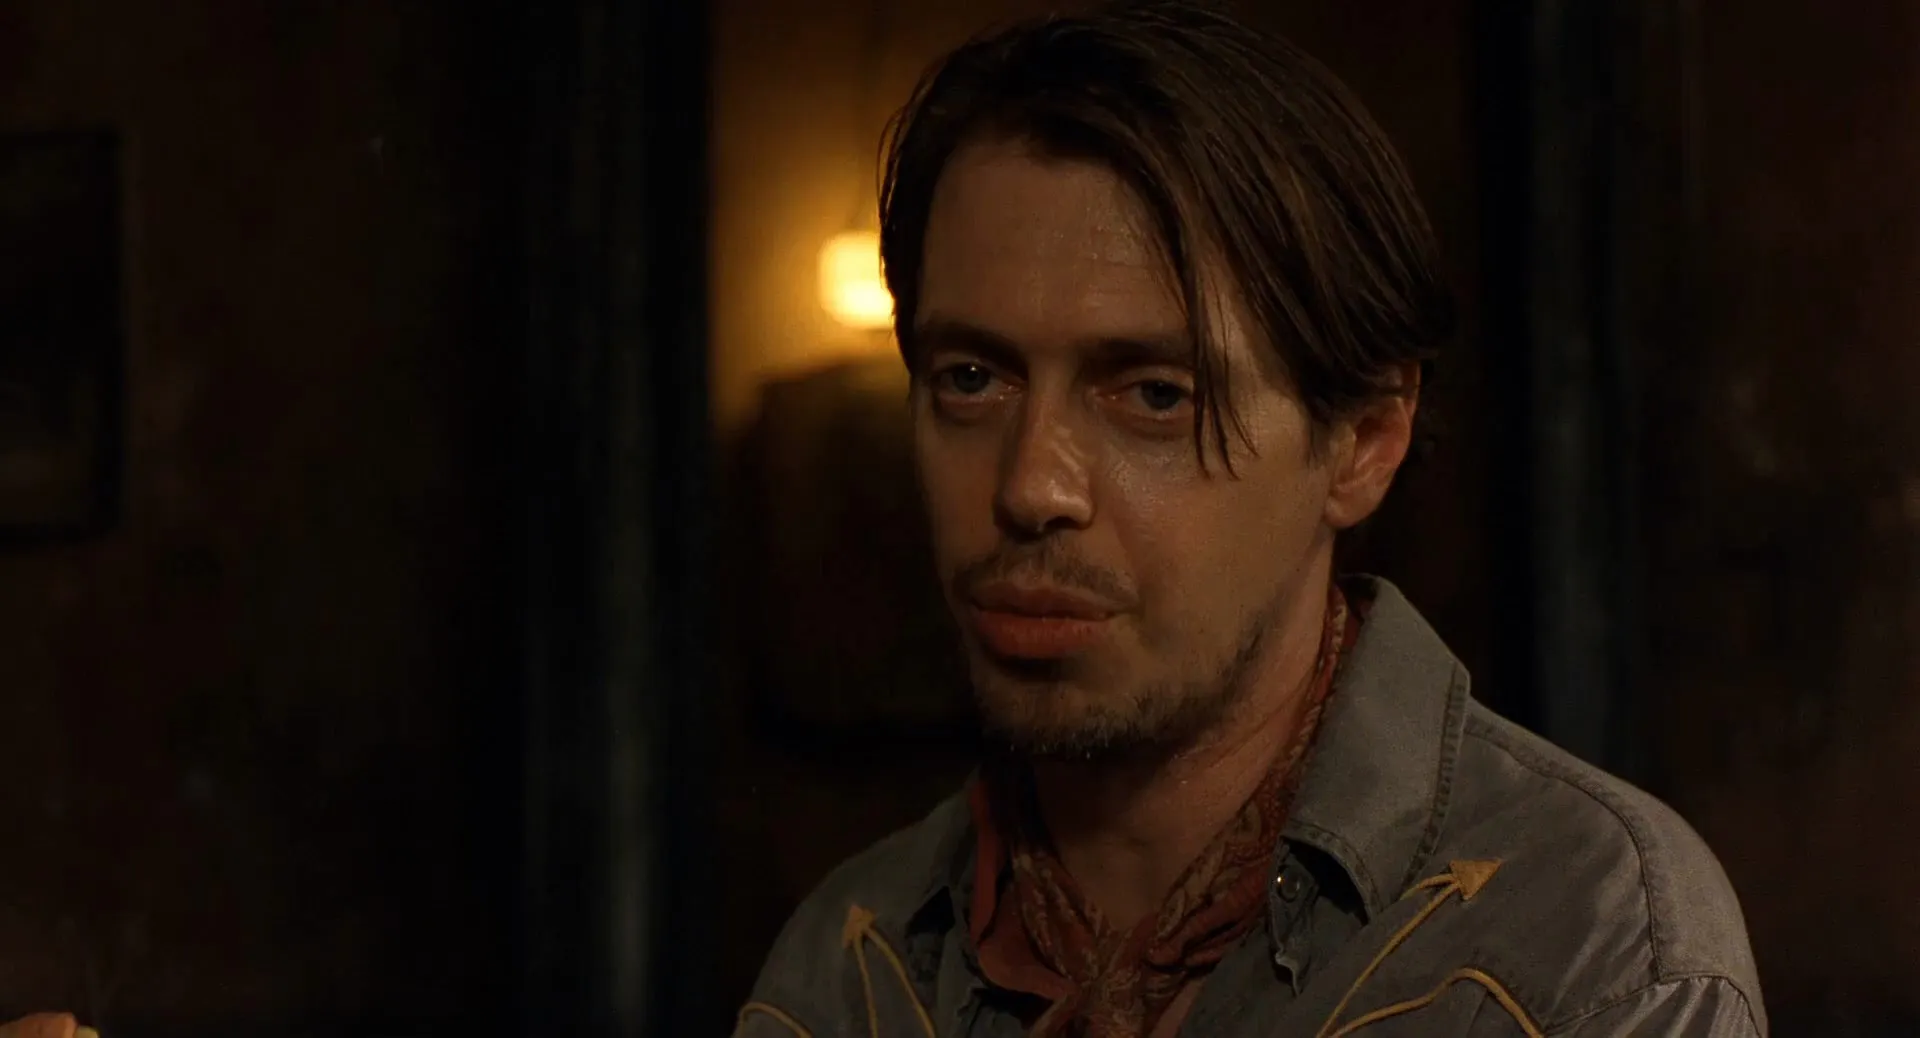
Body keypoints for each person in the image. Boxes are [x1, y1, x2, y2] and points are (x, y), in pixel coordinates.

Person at [734, 1, 1768, 1036]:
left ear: (1363, 443)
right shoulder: (848, 970)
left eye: (1154, 396)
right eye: (971, 378)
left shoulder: (1582, 947)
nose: (1031, 487)